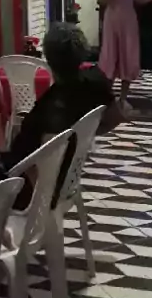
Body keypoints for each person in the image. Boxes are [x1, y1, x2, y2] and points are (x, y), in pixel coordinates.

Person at [7, 22, 122, 202]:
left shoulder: (42, 112)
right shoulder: (97, 84)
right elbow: (116, 117)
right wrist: (86, 134)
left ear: (48, 58)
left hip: (42, 192)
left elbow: (20, 163)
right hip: (69, 179)